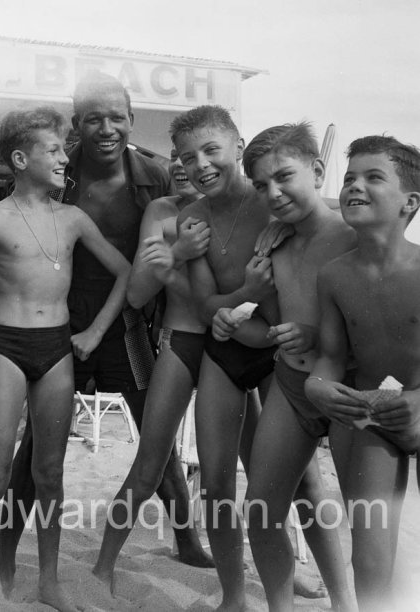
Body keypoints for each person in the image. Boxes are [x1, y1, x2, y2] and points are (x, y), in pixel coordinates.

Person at [0, 72, 213, 594]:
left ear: (132, 120)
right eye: (93, 117)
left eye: (117, 116)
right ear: (77, 123)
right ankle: (5, 553)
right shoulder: (57, 168)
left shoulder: (157, 176)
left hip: (131, 323)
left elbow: (190, 228)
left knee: (154, 438)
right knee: (37, 448)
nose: (106, 128)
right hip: (61, 326)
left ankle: (186, 538)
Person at [0, 106, 131, 612]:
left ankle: (50, 581)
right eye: (54, 150)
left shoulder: (74, 219)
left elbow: (124, 273)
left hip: (58, 347)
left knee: (50, 472)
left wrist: (95, 332)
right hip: (7, 348)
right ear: (20, 158)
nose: (64, 159)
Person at [229, 122, 357, 612]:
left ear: (319, 170)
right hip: (291, 383)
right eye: (262, 185)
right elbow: (269, 325)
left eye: (285, 177)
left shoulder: (352, 237)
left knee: (367, 518)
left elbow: (380, 334)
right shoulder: (274, 243)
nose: (274, 193)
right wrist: (236, 312)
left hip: (349, 389)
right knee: (260, 509)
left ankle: (348, 604)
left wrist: (318, 335)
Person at [304, 135, 420, 611]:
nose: (355, 185)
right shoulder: (335, 275)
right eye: (350, 177)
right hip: (373, 414)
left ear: (410, 202)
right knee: (370, 557)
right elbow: (332, 356)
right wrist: (319, 386)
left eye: (374, 177)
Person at [172, 105, 276, 612]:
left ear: (239, 145)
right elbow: (205, 305)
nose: (201, 165)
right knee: (217, 480)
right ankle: (234, 595)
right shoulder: (191, 219)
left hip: (278, 351)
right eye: (188, 157)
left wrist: (236, 303)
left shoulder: (273, 204)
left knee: (299, 481)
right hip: (223, 353)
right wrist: (247, 291)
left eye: (212, 150)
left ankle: (337, 595)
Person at [93, 149, 212, 590]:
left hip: (211, 343)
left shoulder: (245, 208)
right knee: (151, 461)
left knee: (174, 455)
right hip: (149, 334)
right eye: (179, 157)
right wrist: (176, 253)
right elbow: (140, 288)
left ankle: (191, 543)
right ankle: (100, 563)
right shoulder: (158, 210)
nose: (186, 165)